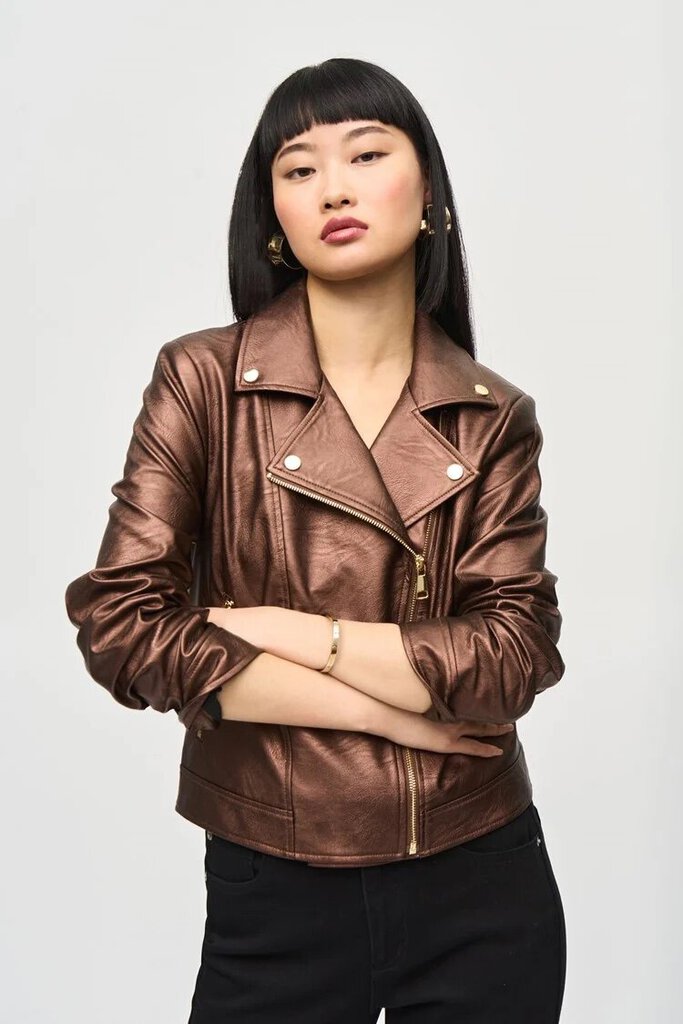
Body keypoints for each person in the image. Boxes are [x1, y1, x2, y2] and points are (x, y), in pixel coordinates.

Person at [65, 57, 567, 1023]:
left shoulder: (490, 414)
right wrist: (390, 719)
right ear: (273, 219)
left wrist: (281, 629)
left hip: (480, 877)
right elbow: (122, 628)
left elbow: (514, 655)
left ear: (429, 194)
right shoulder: (202, 383)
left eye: (366, 154)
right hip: (274, 879)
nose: (333, 187)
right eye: (298, 169)